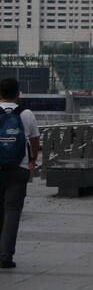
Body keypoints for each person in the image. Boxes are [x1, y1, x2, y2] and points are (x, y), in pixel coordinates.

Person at [0, 78, 39, 269]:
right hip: (19, 168)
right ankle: (6, 255)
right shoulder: (26, 113)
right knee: (12, 211)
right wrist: (32, 160)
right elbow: (34, 140)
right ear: (18, 94)